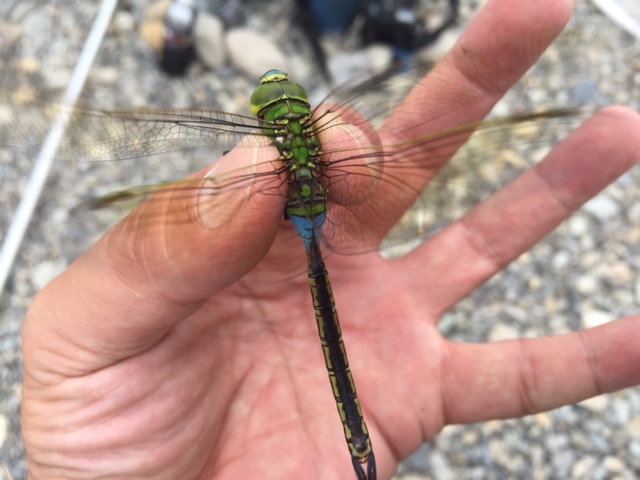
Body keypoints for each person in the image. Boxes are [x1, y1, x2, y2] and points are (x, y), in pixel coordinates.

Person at [21, 0, 640, 478]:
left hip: (301, 226)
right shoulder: (314, 136)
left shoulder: (262, 150)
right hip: (316, 222)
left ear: (267, 120)